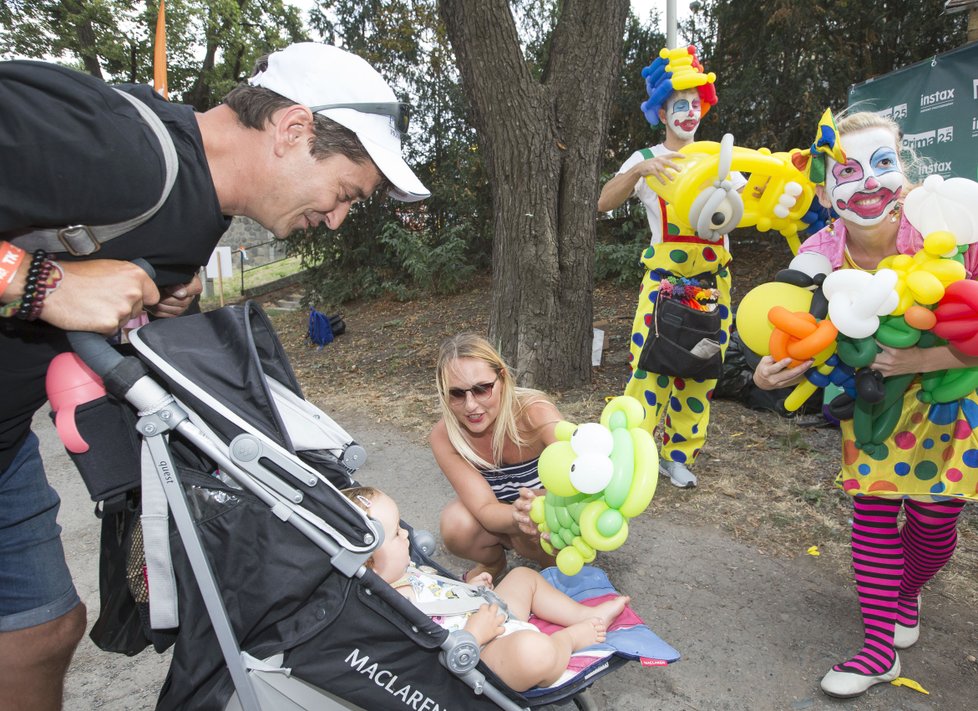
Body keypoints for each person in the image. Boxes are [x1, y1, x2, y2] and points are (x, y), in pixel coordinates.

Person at [0, 42, 428, 710]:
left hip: (5, 444)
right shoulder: (117, 144)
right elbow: (49, 283)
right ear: (292, 130)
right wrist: (34, 283)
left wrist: (160, 299)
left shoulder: (199, 213)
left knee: (42, 632)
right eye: (344, 193)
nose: (337, 219)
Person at [752, 110, 978, 699]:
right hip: (869, 409)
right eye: (849, 171)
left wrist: (922, 361)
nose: (869, 182)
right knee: (874, 517)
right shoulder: (823, 248)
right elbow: (783, 308)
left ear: (904, 168)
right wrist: (767, 366)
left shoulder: (947, 232)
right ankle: (878, 648)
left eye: (883, 164)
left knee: (934, 527)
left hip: (948, 399)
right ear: (828, 189)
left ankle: (906, 590)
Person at [597, 46, 744, 489]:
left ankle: (677, 455)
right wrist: (640, 169)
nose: (690, 112)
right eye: (680, 105)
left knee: (699, 371)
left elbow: (750, 209)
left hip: (712, 282)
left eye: (696, 104)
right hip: (664, 281)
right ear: (662, 111)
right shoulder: (646, 156)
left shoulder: (721, 158)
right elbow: (604, 202)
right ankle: (633, 453)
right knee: (650, 366)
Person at [342, 486, 629, 692]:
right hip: (480, 657)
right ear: (371, 564)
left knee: (522, 576)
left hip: (488, 614)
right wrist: (473, 635)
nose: (406, 533)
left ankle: (584, 615)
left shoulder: (402, 572)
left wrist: (463, 589)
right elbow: (418, 664)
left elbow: (434, 600)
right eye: (395, 534)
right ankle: (569, 640)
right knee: (534, 653)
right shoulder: (386, 607)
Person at [430, 333, 561, 582]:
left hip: (551, 517)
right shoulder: (445, 436)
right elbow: (483, 508)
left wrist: (540, 511)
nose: (470, 405)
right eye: (457, 394)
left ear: (502, 378)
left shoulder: (536, 413)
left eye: (481, 389)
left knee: (546, 519)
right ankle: (494, 563)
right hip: (503, 520)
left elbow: (580, 483)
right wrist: (519, 516)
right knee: (455, 523)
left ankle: (552, 572)